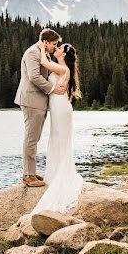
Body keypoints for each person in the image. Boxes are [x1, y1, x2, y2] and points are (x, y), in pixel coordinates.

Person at [31, 41, 83, 214]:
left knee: (60, 141)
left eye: (59, 48)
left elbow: (44, 63)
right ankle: (55, 173)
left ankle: (61, 175)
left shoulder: (62, 69)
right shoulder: (59, 67)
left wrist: (40, 45)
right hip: (59, 109)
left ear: (64, 54)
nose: (57, 48)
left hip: (61, 109)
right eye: (56, 46)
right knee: (56, 140)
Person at [14, 28, 67, 187]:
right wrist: (53, 88)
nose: (55, 47)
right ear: (45, 42)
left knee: (34, 137)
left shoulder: (42, 52)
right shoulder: (33, 53)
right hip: (31, 100)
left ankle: (31, 171)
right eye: (54, 44)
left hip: (38, 101)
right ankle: (28, 176)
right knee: (31, 137)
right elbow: (34, 76)